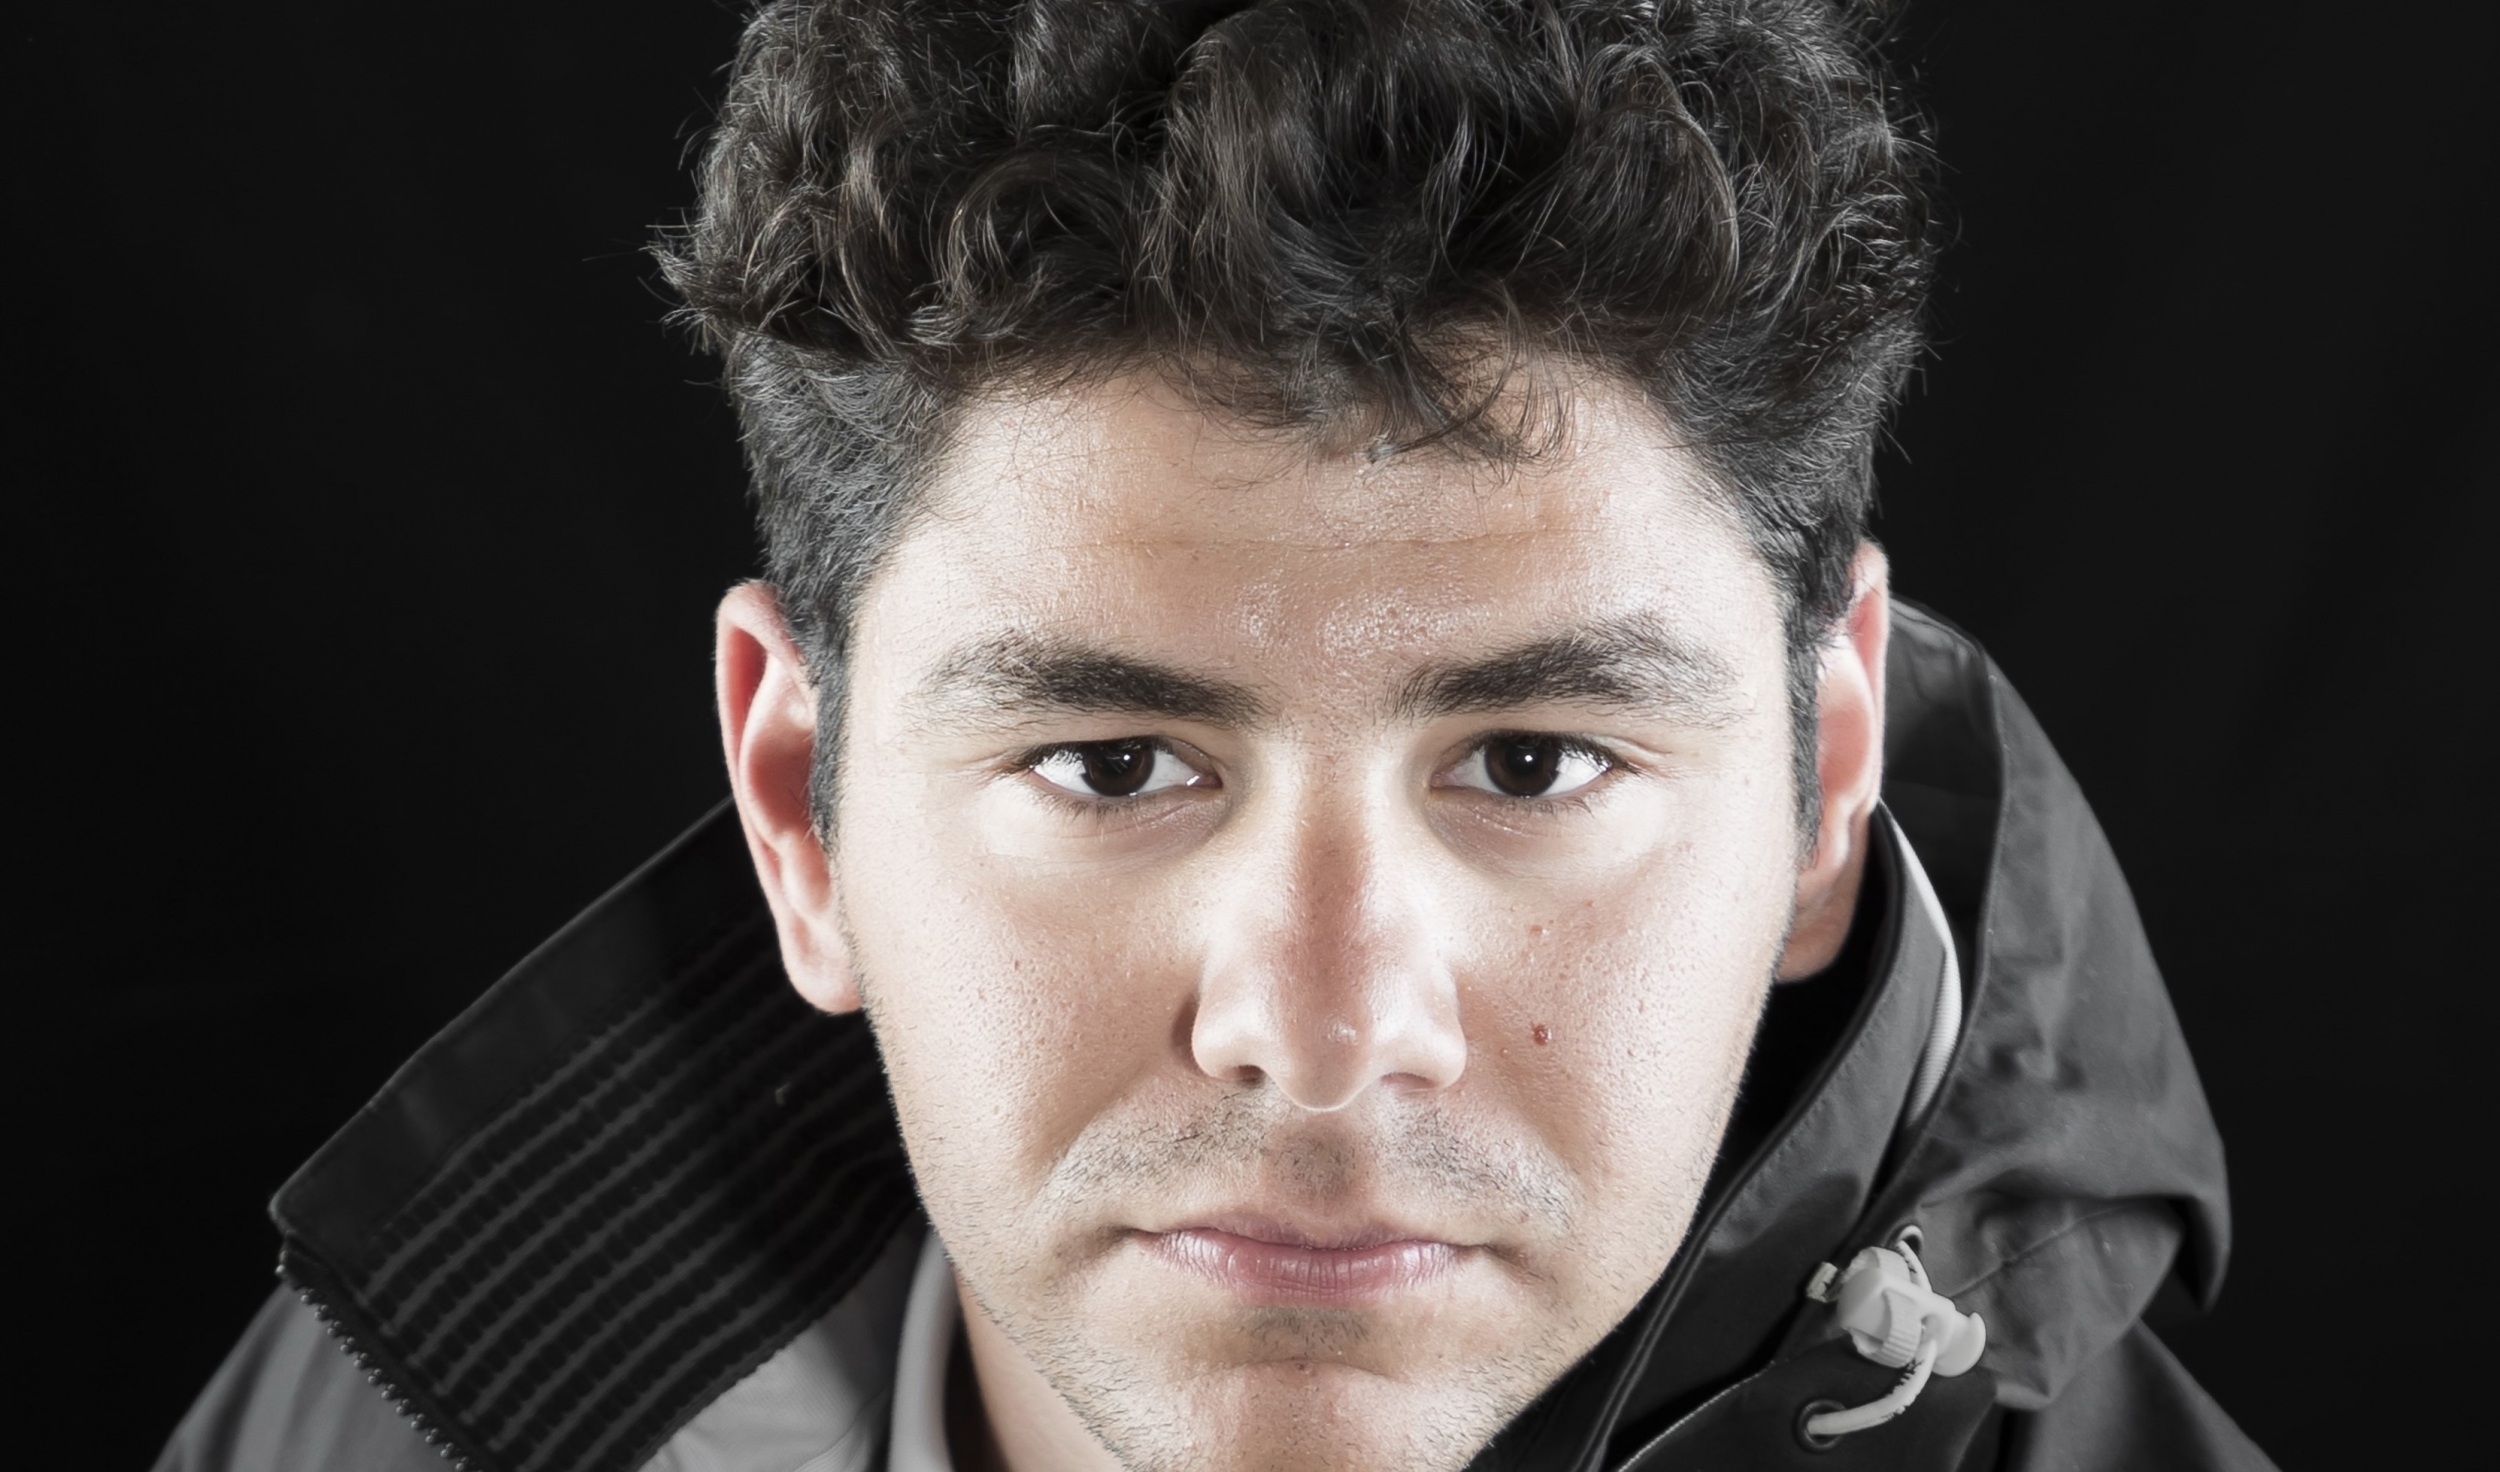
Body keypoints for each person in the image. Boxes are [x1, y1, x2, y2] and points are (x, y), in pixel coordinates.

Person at [154, 2, 2275, 1469]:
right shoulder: (368, 1433)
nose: (1325, 1033)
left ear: (1822, 787)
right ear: (800, 812)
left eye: (1531, 761)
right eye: (1111, 764)